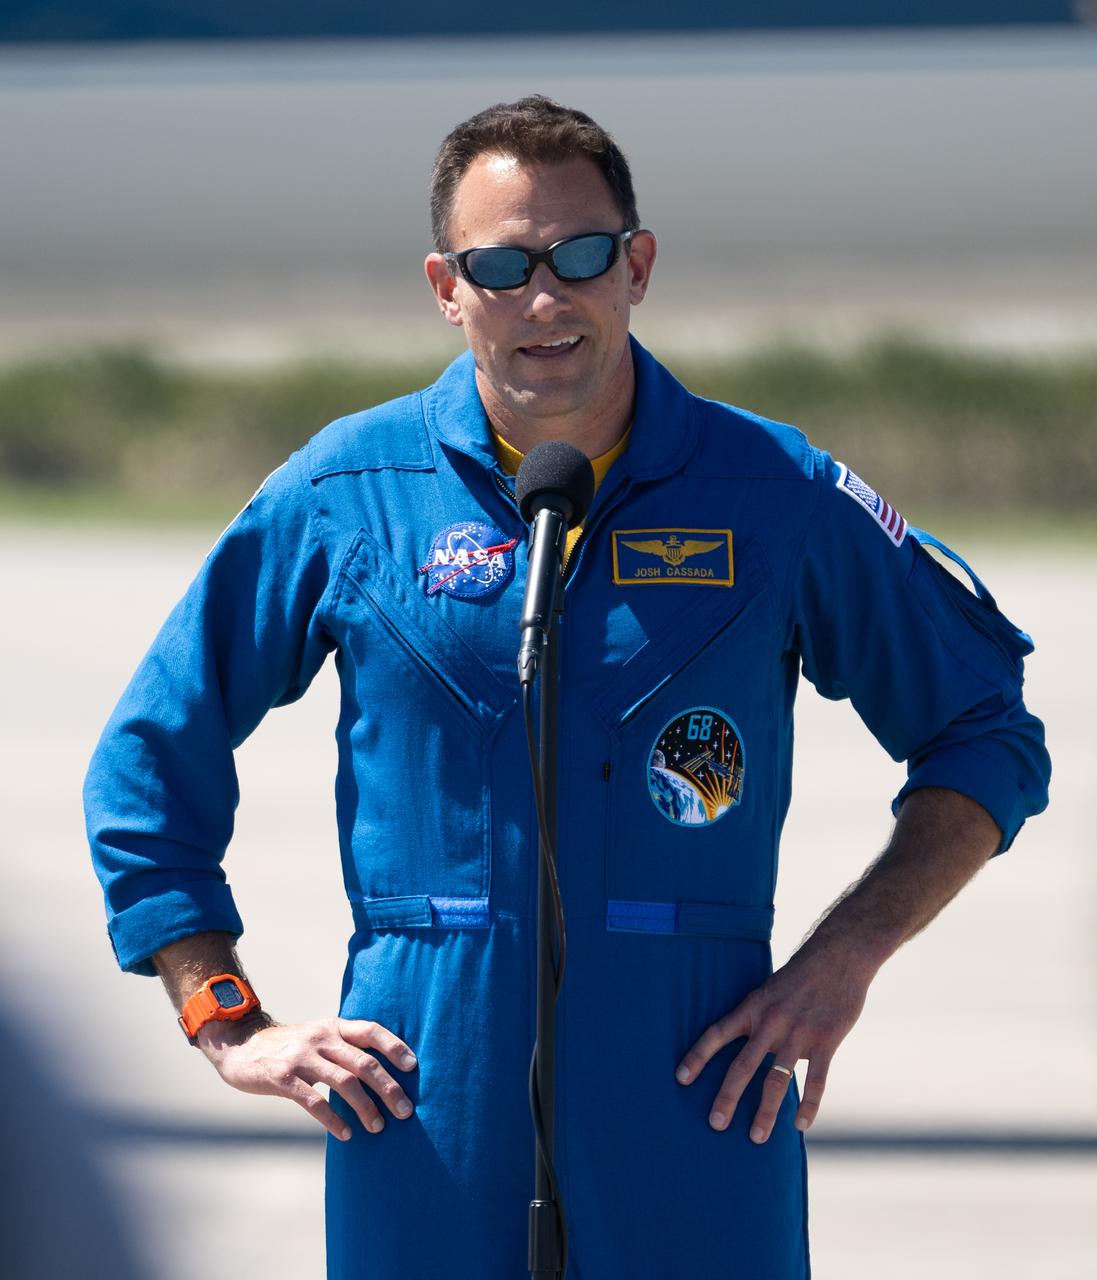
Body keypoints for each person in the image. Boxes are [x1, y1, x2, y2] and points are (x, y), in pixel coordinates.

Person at [84, 95, 1051, 1279]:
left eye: (579, 255)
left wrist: (844, 952)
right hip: (422, 1100)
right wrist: (222, 1013)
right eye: (501, 267)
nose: (543, 298)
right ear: (447, 289)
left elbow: (984, 731)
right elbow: (146, 759)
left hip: (698, 1092)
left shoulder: (773, 491)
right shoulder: (348, 491)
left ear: (635, 267)